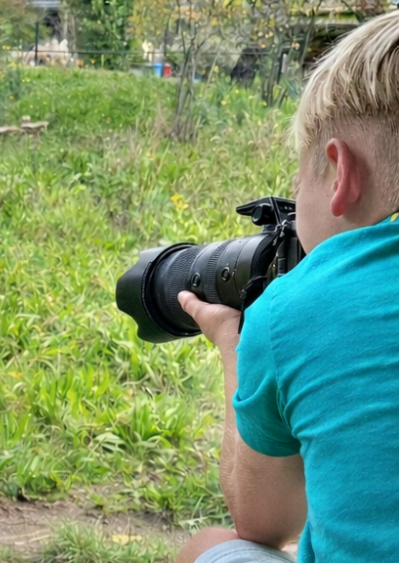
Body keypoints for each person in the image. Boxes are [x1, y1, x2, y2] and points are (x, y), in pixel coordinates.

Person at [174, 10, 399, 563]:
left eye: (299, 185)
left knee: (211, 547)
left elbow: (264, 522)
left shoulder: (293, 309)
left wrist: (233, 343)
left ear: (339, 173)